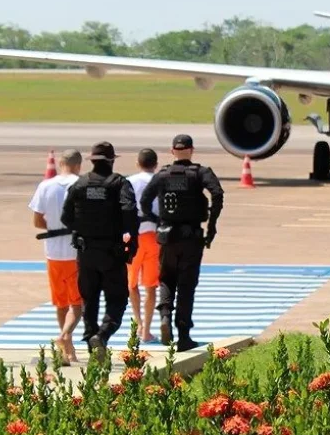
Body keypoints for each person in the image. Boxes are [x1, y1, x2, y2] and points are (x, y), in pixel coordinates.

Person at [139, 134, 224, 352]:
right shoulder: (200, 173)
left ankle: (165, 316)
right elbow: (217, 193)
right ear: (191, 150)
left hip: (167, 238)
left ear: (172, 151)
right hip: (192, 237)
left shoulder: (163, 175)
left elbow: (144, 201)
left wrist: (158, 221)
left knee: (166, 279)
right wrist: (212, 225)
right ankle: (184, 335)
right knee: (187, 285)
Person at [60, 141, 139, 363]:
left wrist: (81, 229)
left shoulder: (80, 185)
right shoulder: (119, 183)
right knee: (118, 299)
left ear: (92, 161)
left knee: (89, 300)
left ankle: (92, 343)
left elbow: (66, 217)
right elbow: (130, 211)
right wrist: (131, 241)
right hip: (111, 252)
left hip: (86, 253)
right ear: (112, 161)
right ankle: (102, 335)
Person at [28, 148, 84, 365]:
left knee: (60, 303)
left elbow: (37, 221)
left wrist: (54, 228)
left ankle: (67, 352)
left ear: (61, 163)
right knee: (77, 304)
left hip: (53, 253)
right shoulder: (80, 184)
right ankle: (66, 336)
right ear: (78, 165)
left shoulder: (45, 185)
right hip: (75, 252)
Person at [126, 148, 161, 343]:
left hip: (133, 238)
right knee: (151, 286)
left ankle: (138, 322)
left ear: (138, 163)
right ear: (155, 164)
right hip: (153, 237)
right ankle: (146, 329)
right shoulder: (159, 181)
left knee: (132, 284)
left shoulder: (129, 182)